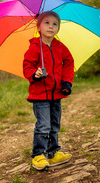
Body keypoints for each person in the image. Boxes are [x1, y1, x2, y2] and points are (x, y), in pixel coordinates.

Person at [23, 11, 75, 171]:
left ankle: (53, 153)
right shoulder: (34, 47)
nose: (51, 26)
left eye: (54, 24)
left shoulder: (61, 48)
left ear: (58, 29)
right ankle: (38, 154)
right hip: (40, 95)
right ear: (38, 27)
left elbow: (69, 63)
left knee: (54, 124)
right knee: (43, 125)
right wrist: (34, 74)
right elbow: (27, 66)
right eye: (46, 23)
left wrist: (66, 82)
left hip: (56, 93)